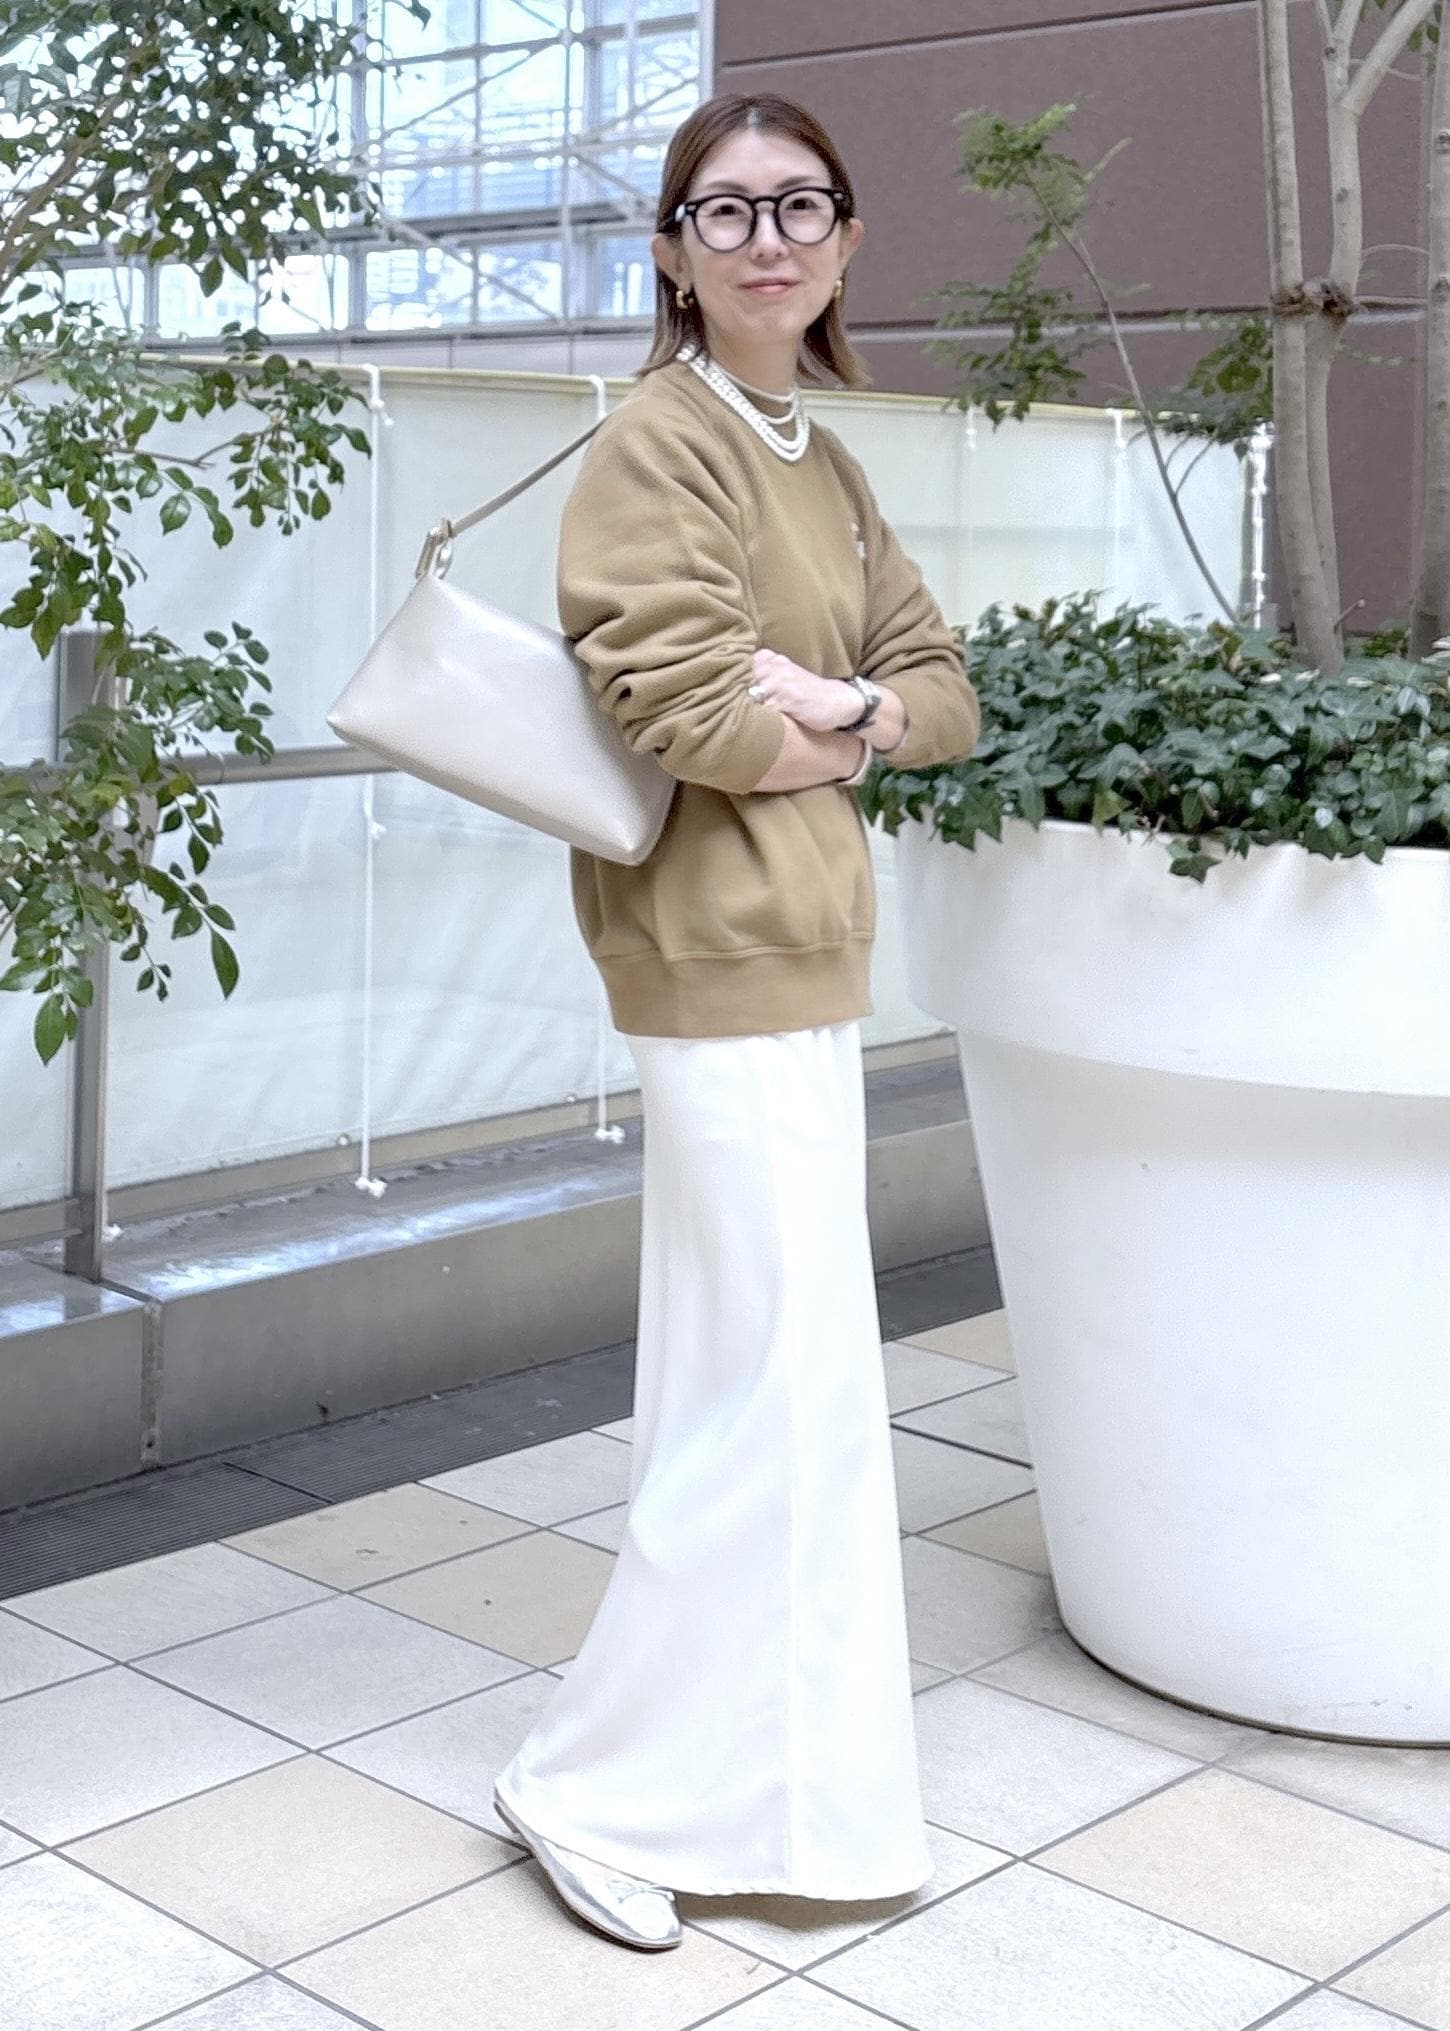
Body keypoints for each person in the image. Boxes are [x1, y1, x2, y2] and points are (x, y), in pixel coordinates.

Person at [492, 90, 981, 1952]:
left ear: (847, 241)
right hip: (712, 958)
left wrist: (843, 707)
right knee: (760, 1398)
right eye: (723, 208)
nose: (764, 237)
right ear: (672, 253)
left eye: (798, 206)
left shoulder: (819, 461)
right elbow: (690, 715)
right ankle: (597, 1789)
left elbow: (943, 690)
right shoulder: (659, 440)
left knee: (780, 1393)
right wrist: (848, 722)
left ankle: (761, 1791)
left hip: (802, 953)